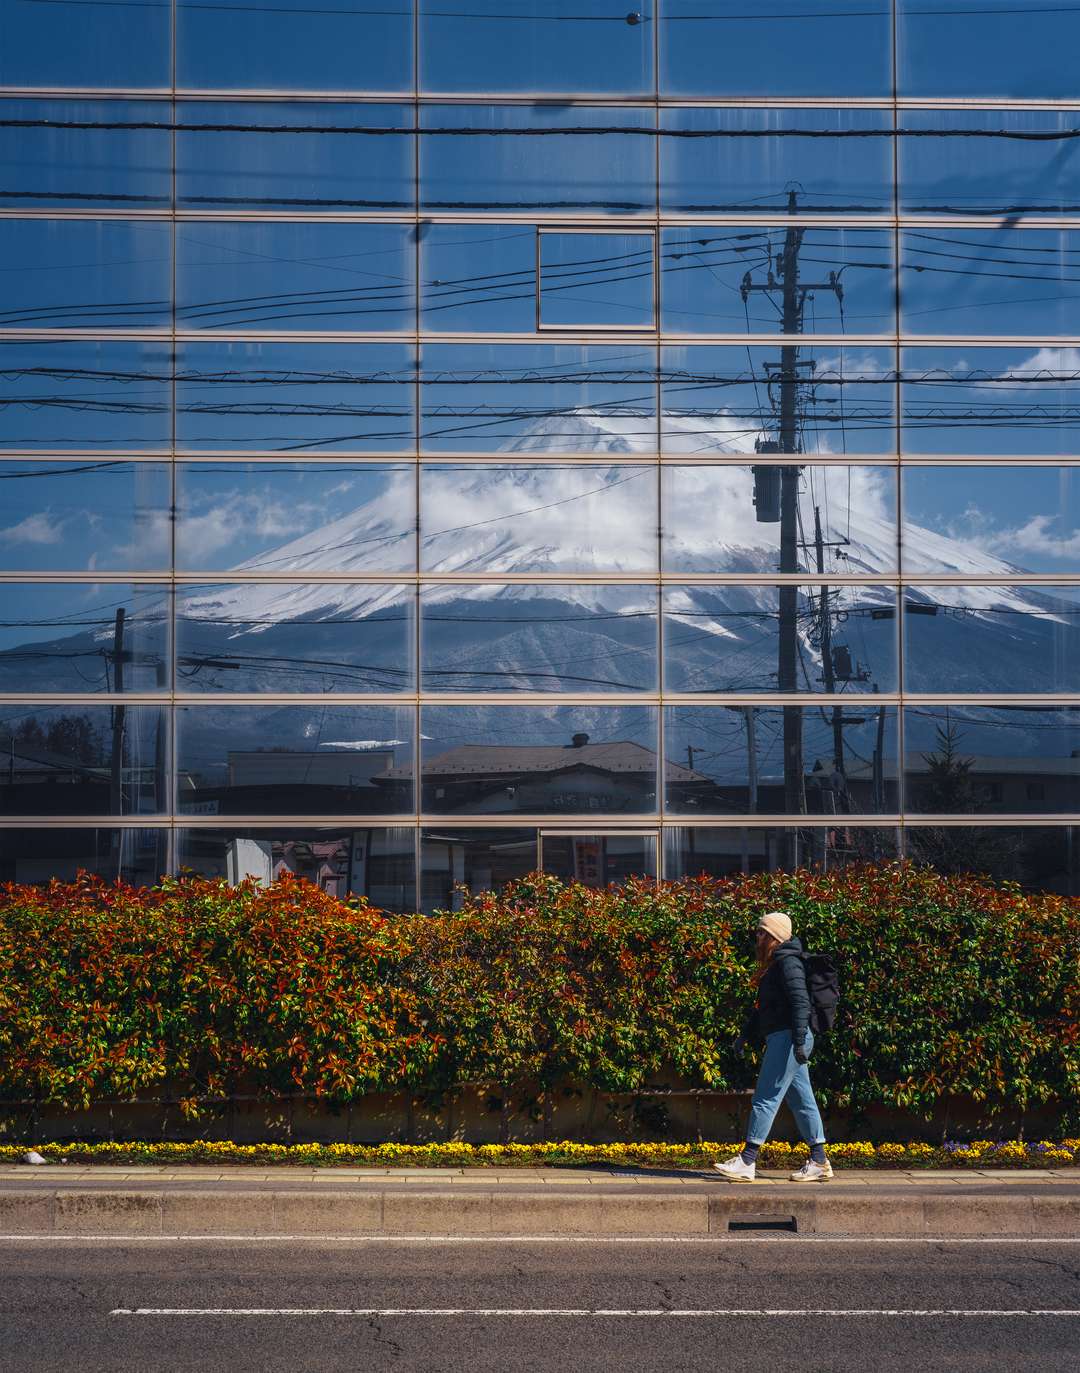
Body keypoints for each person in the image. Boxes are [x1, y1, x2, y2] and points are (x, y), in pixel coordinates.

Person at [713, 911, 832, 1183]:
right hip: (787, 1037)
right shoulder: (778, 964)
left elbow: (801, 1003)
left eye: (761, 933)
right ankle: (819, 1161)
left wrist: (800, 1040)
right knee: (802, 1100)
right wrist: (745, 1036)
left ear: (774, 936)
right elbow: (765, 1010)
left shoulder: (788, 963)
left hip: (789, 1038)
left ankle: (747, 1160)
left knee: (765, 1097)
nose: (757, 937)